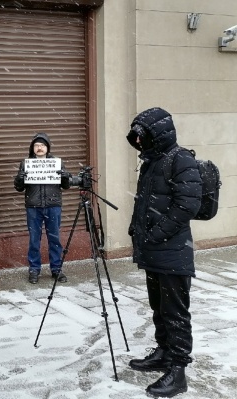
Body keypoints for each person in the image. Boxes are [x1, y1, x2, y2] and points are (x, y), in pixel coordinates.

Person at [126, 107, 202, 398]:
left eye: (143, 137)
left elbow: (187, 205)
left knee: (175, 313)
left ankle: (178, 371)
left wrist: (155, 235)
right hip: (155, 252)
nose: (139, 143)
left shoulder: (180, 159)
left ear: (159, 134)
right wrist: (137, 229)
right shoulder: (152, 162)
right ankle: (164, 353)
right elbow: (143, 202)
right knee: (159, 308)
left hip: (173, 253)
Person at [14, 132, 70, 284]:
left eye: (43, 145)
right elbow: (19, 187)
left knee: (55, 239)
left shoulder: (57, 163)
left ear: (48, 147)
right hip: (33, 206)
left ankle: (56, 269)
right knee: (34, 240)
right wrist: (19, 179)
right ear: (32, 148)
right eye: (37, 145)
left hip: (53, 206)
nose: (40, 148)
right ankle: (34, 269)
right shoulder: (25, 163)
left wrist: (65, 176)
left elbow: (66, 185)